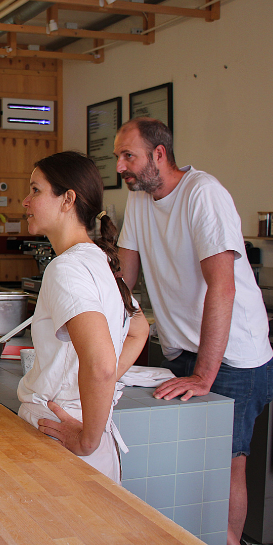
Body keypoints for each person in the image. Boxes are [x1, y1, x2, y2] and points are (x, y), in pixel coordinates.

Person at [115, 117, 273, 545]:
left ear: (159, 155)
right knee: (183, 458)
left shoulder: (204, 195)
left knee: (225, 464)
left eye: (128, 155)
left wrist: (205, 375)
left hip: (234, 357)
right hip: (182, 351)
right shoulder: (140, 200)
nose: (119, 166)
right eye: (118, 156)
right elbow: (123, 280)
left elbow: (223, 286)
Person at [17, 151, 149, 483]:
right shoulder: (99, 261)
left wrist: (87, 438)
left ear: (67, 200)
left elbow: (101, 364)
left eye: (35, 190)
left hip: (65, 439)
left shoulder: (67, 268)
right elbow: (138, 330)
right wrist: (90, 390)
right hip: (83, 438)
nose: (25, 201)